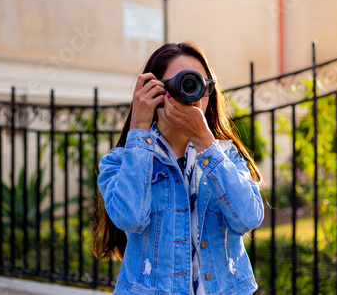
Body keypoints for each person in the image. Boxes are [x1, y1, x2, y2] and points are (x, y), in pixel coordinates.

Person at [93, 42, 264, 295]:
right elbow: (130, 218)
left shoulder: (228, 158)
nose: (191, 94)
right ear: (155, 91)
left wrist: (206, 142)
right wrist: (139, 127)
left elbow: (248, 219)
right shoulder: (119, 162)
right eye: (182, 83)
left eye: (198, 84)